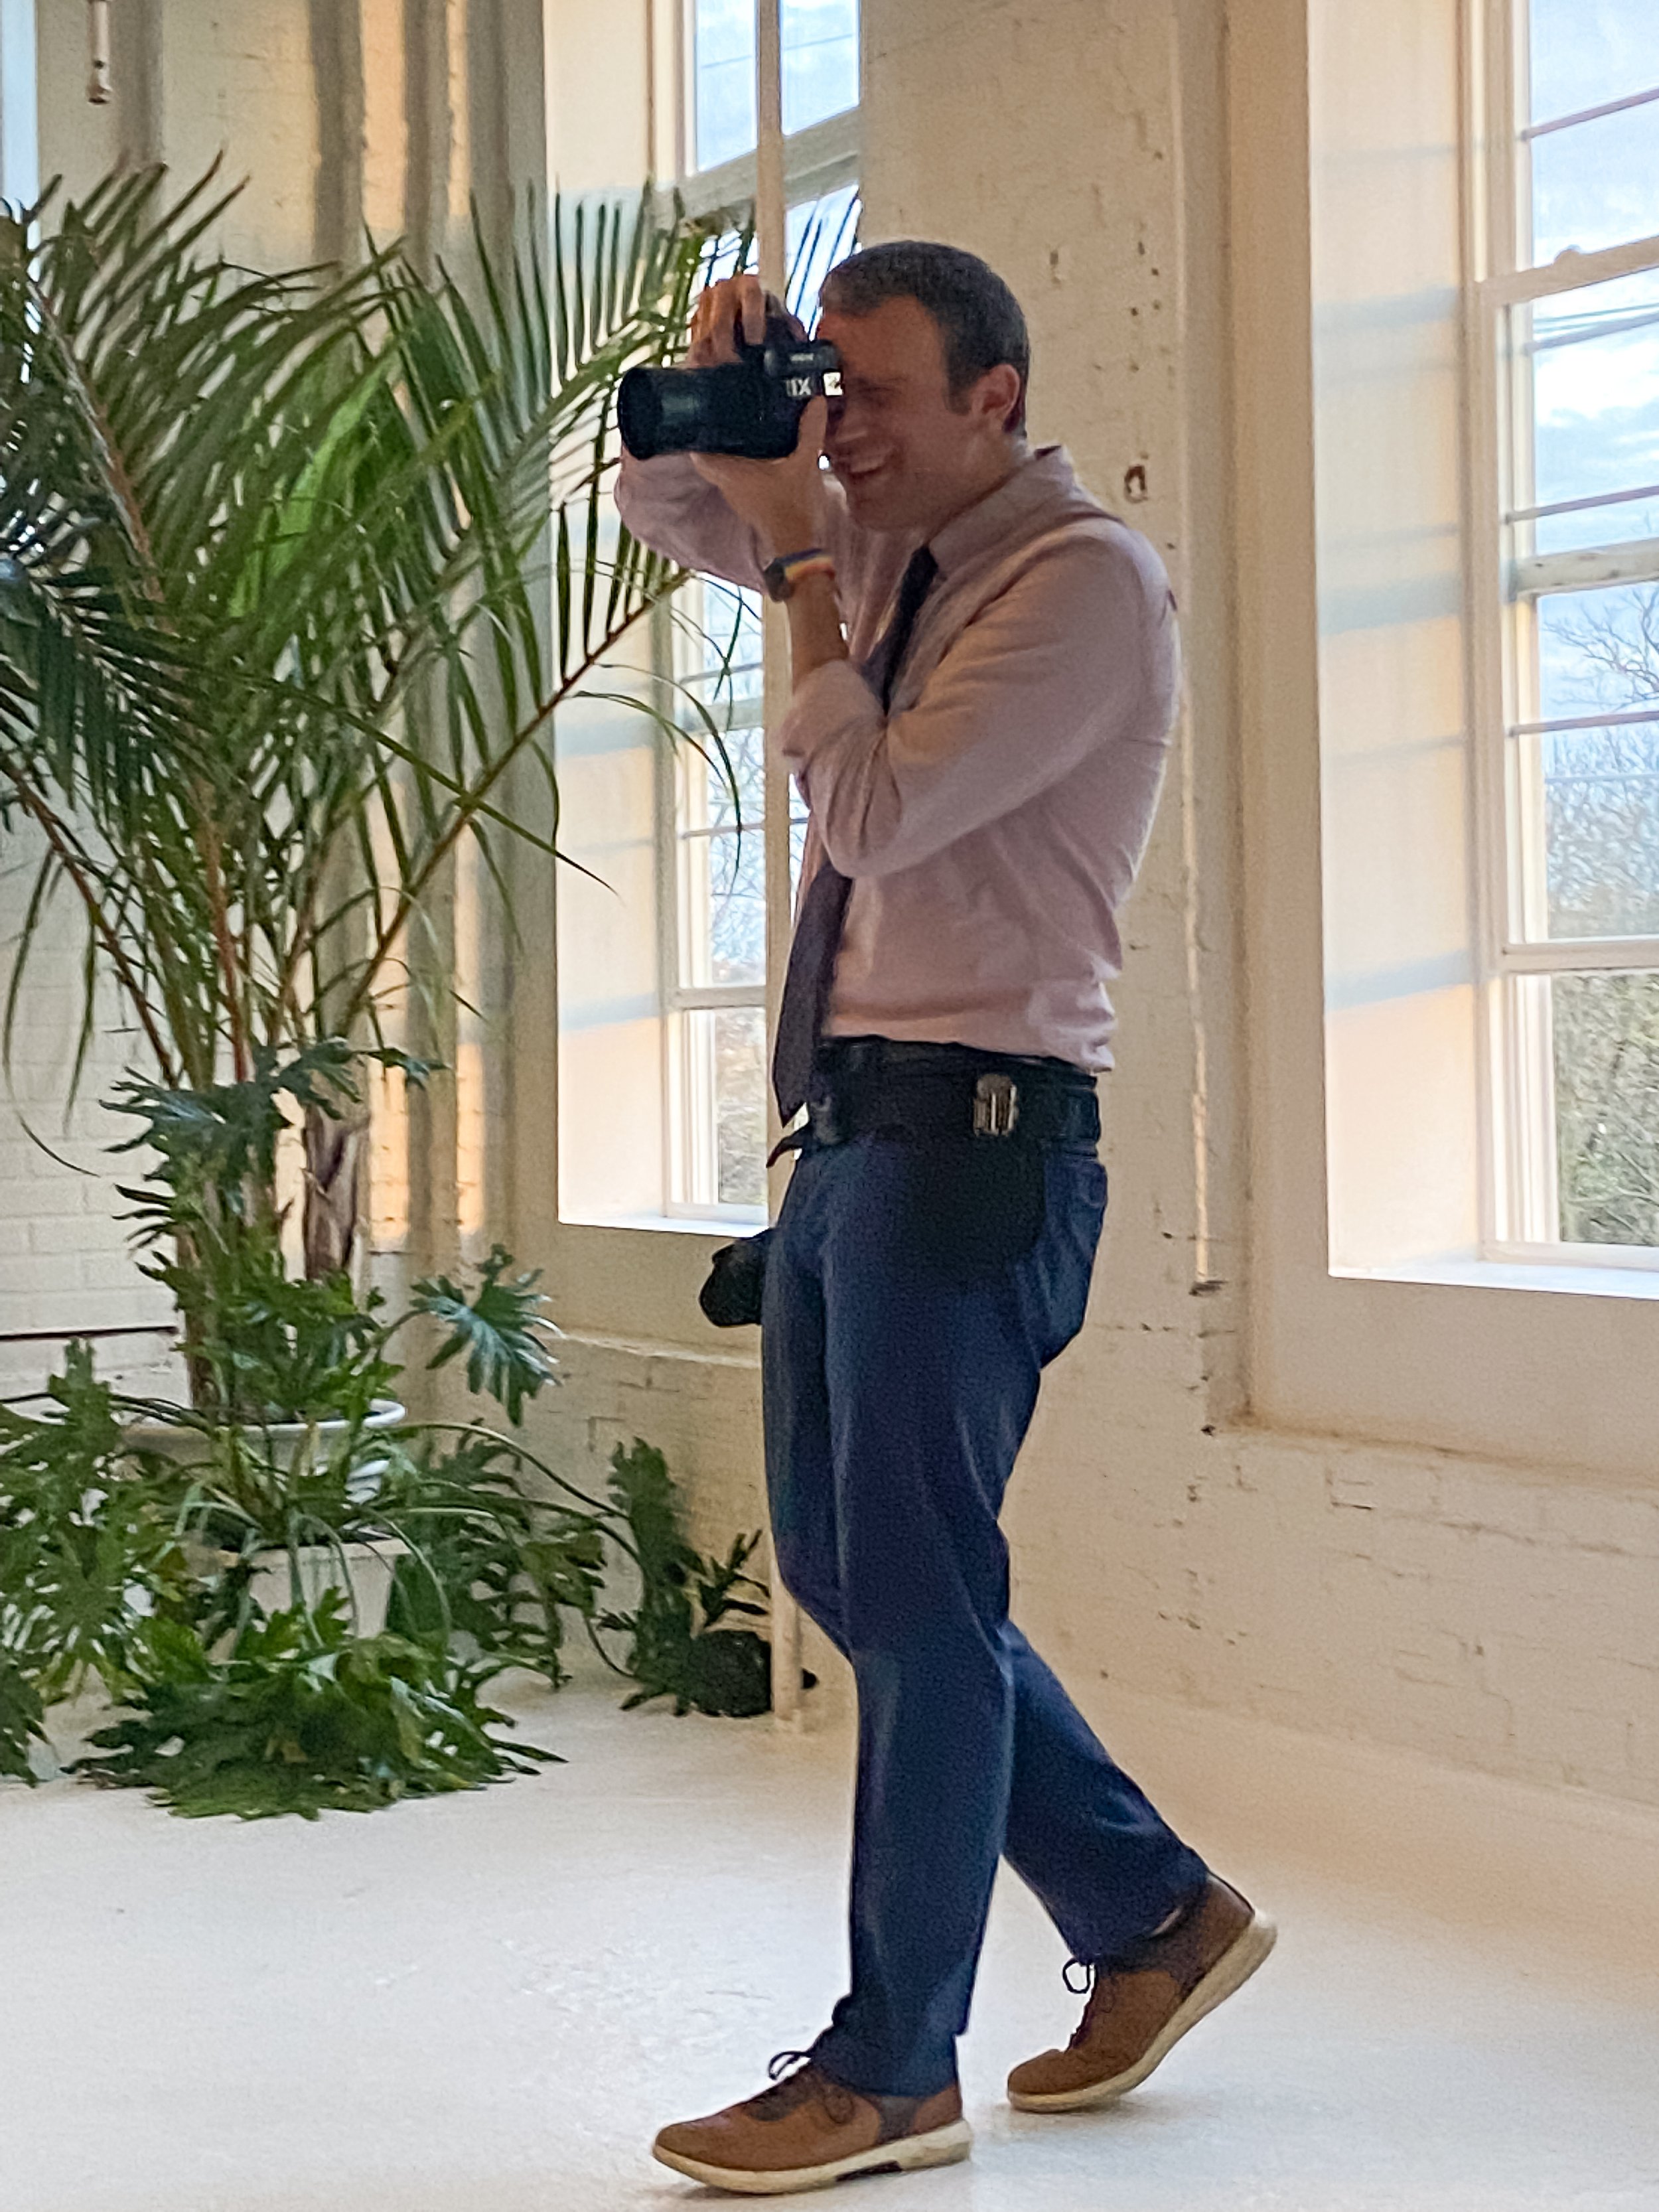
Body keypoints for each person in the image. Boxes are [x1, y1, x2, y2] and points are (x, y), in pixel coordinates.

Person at [617, 240, 1274, 2197]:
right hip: (855, 1136)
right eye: (833, 392)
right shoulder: (879, 540)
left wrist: (806, 555)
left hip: (973, 1147)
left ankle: (891, 2067)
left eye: (879, 398)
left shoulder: (1078, 586)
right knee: (859, 1577)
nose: (846, 434)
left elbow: (881, 816)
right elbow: (669, 500)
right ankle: (1153, 1913)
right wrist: (723, 391)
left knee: (911, 1607)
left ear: (996, 397)